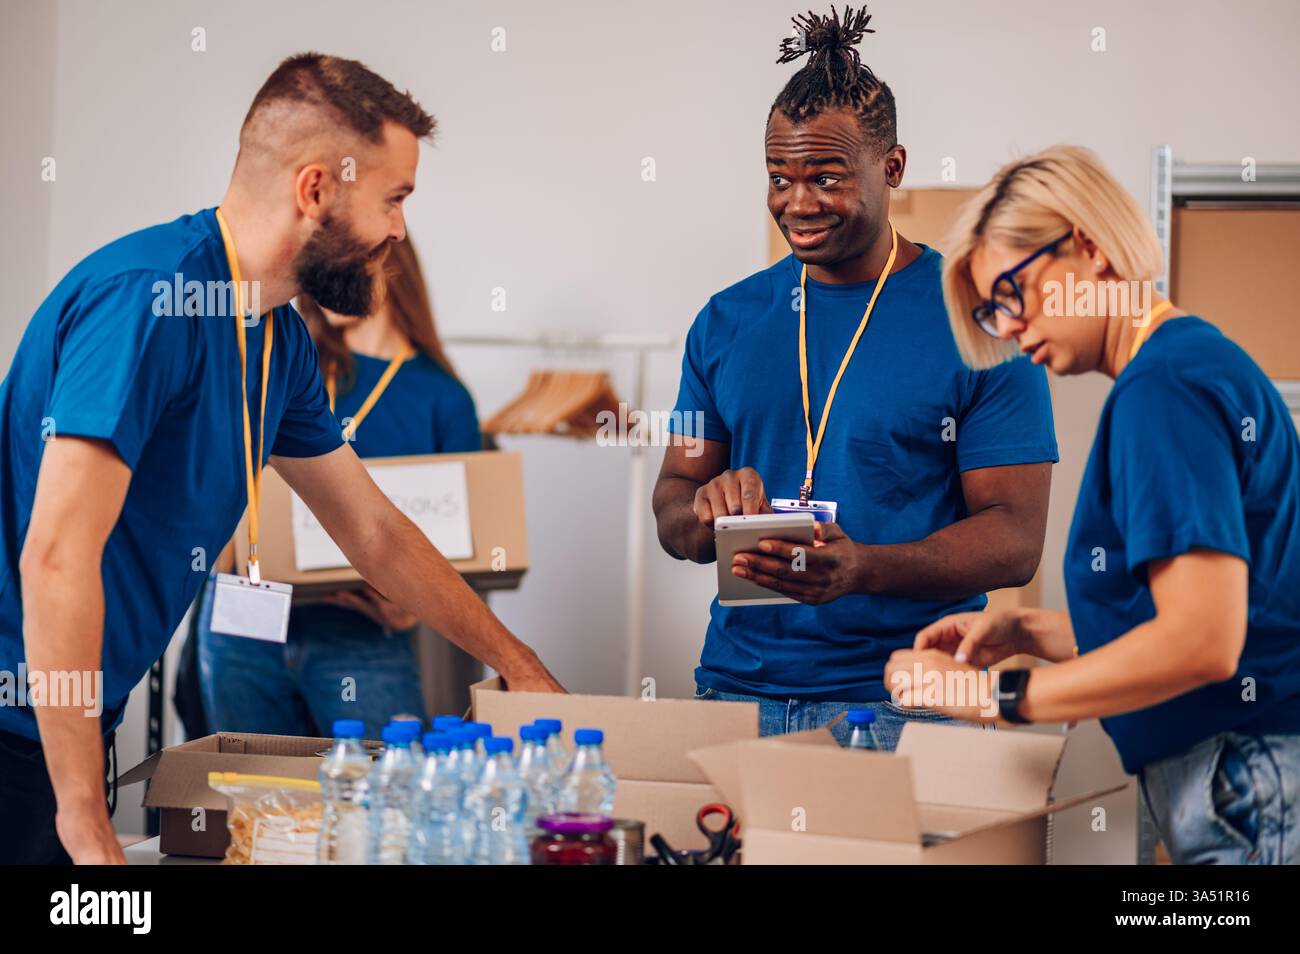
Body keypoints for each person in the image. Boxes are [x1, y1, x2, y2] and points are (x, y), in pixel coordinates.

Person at [0, 53, 561, 866]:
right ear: (315, 190)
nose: (400, 230)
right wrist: (86, 818)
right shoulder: (148, 299)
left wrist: (518, 664)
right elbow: (56, 555)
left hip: (64, 724)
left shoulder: (278, 343)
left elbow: (372, 530)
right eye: (394, 199)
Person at [652, 7, 1057, 747]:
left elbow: (1015, 540)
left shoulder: (981, 320)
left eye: (826, 178)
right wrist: (702, 512)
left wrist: (863, 567)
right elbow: (671, 508)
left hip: (910, 703)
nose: (796, 204)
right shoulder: (726, 319)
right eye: (780, 177)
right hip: (737, 694)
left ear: (892, 168)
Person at [886, 144, 1300, 864]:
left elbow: (1203, 640)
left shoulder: (1162, 390)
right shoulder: (1193, 361)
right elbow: (1224, 617)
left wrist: (999, 699)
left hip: (1246, 776)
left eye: (1011, 292)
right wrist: (1034, 632)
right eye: (991, 312)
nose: (1007, 327)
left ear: (1087, 248)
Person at [195, 237, 482, 739]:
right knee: (249, 801)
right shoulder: (289, 358)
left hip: (359, 632)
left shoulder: (443, 399)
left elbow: (466, 542)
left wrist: (405, 611)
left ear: (387, 266)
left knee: (385, 795)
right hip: (247, 623)